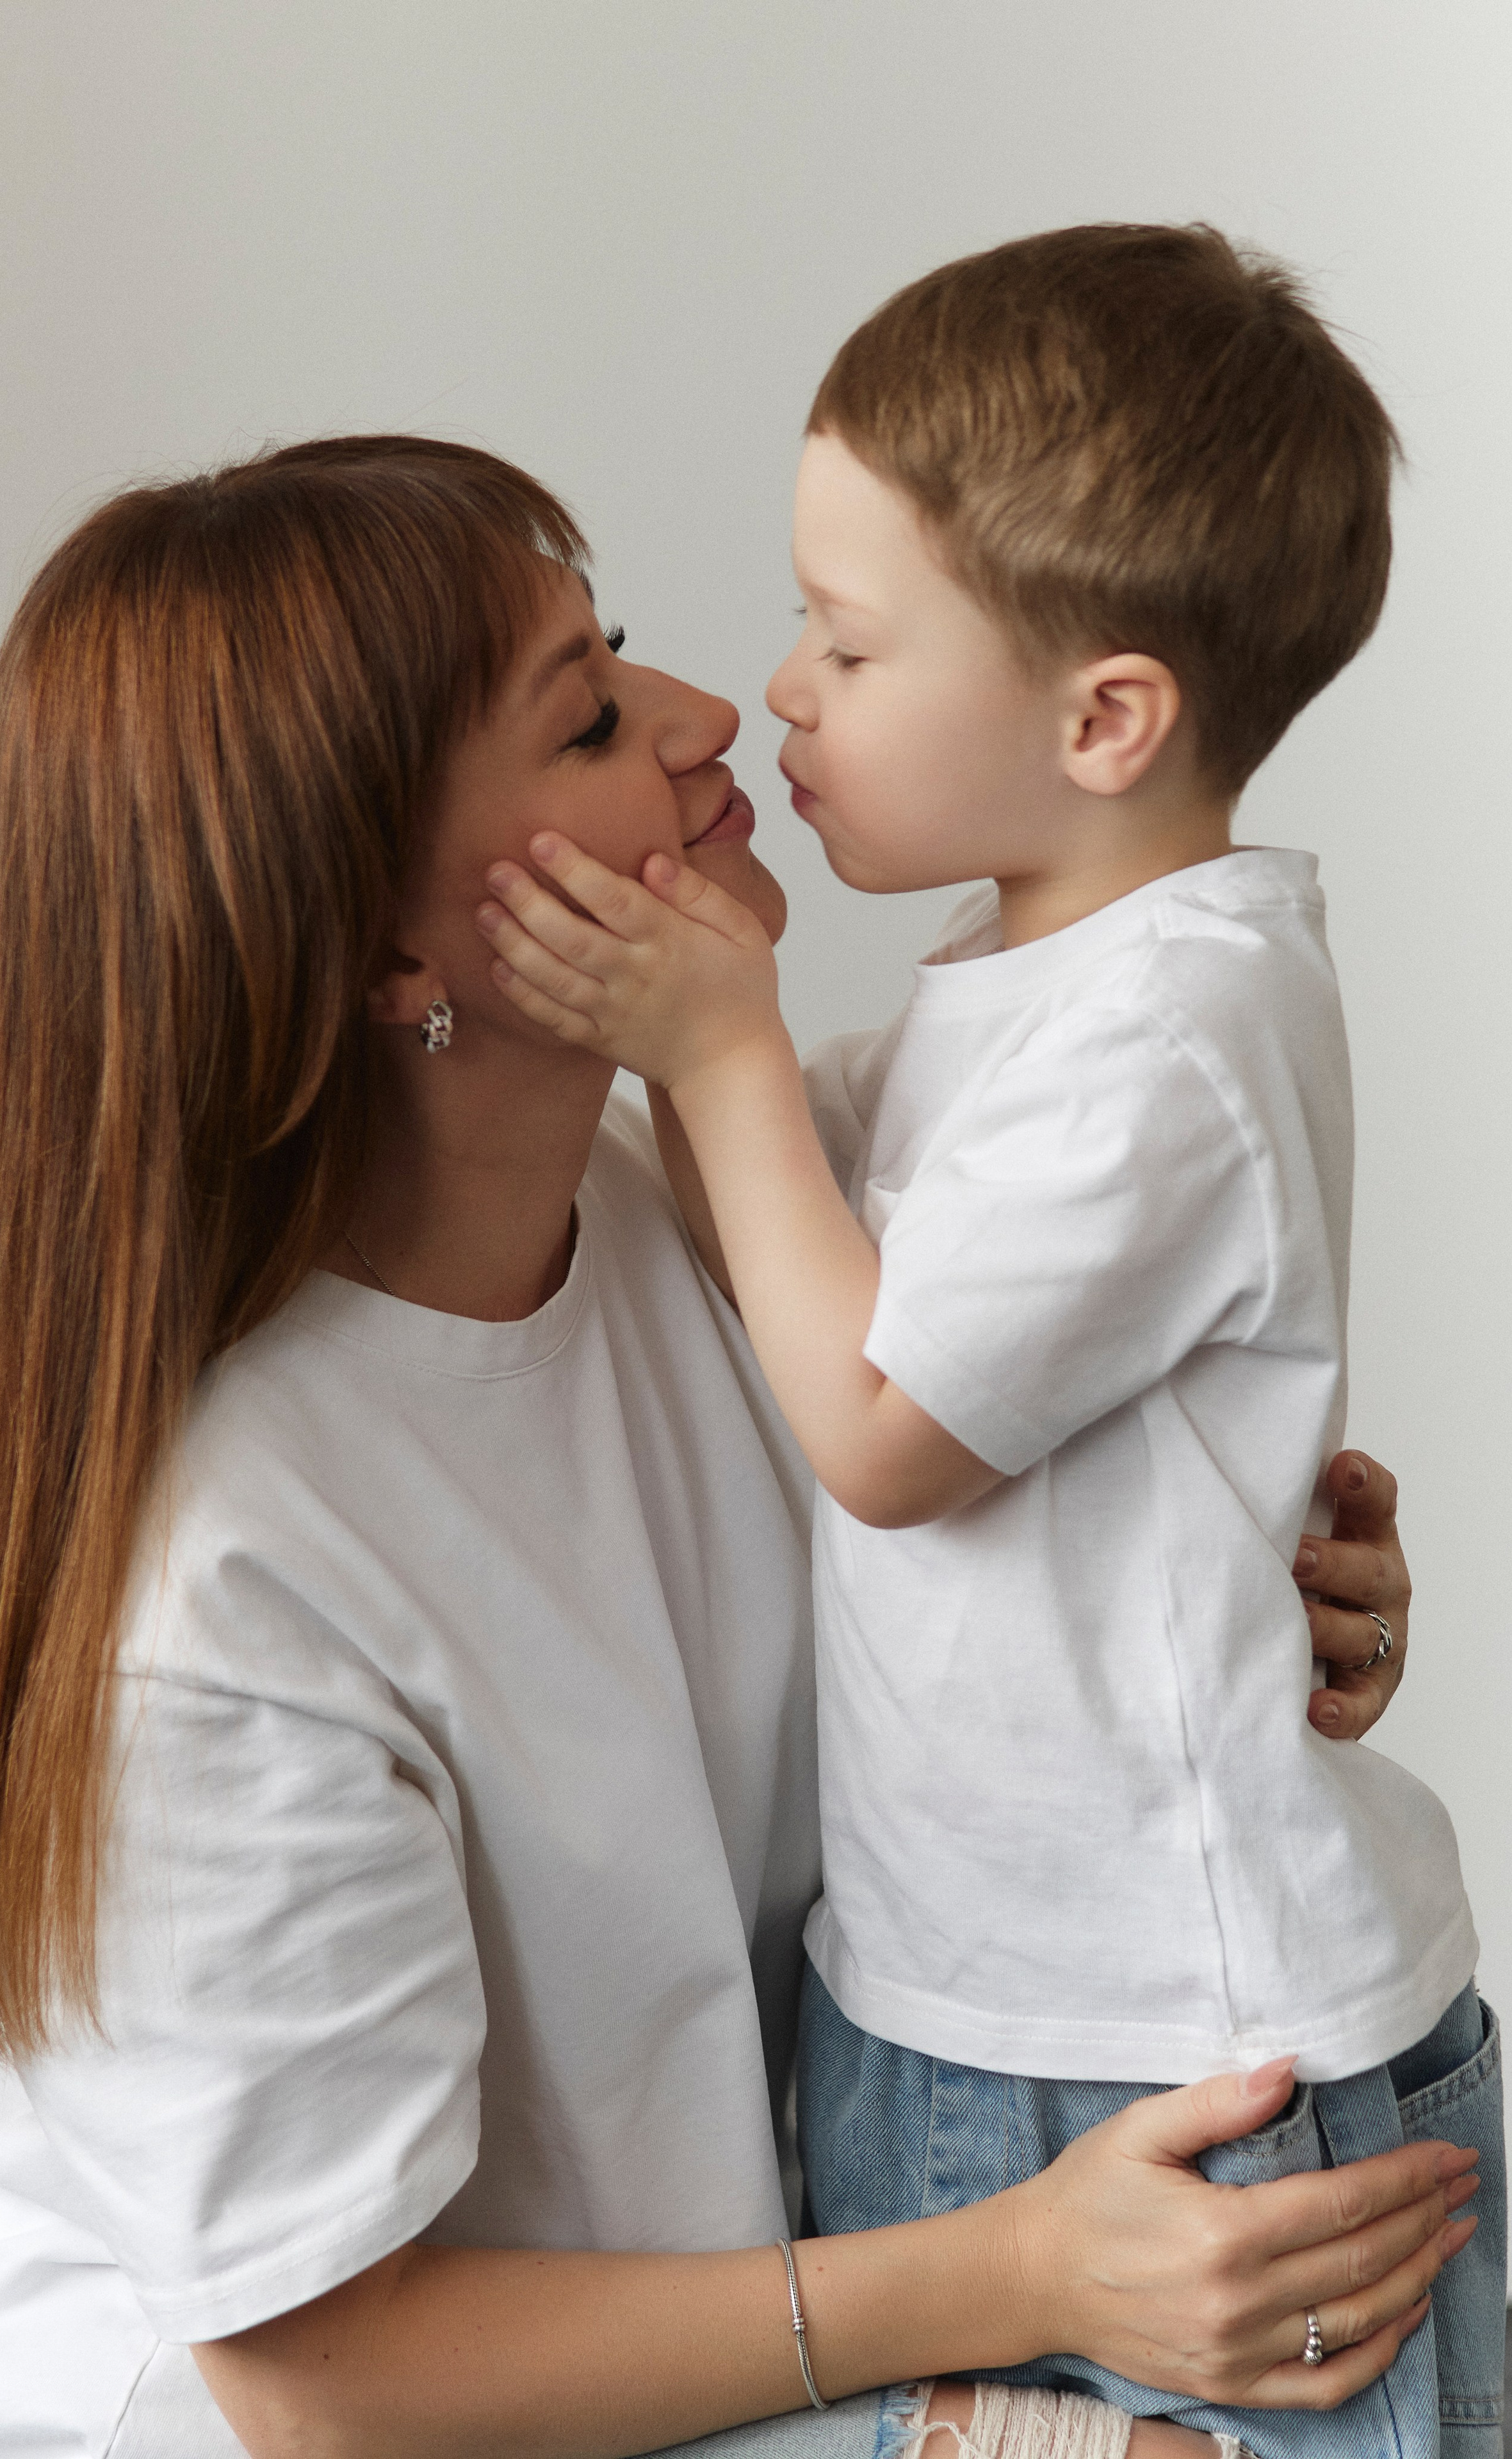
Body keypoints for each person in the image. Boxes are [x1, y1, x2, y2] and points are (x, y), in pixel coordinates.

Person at [0, 437, 1463, 2459]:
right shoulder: (212, 1593)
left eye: (617, 648)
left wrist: (1230, 1591)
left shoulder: (669, 1221)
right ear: (387, 958)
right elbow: (321, 2379)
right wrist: (1026, 2287)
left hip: (714, 2297)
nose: (717, 713)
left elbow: (943, 1522)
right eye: (593, 716)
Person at [475, 227, 1506, 2457]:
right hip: (965, 1999)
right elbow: (810, 1244)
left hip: (1175, 2058)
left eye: (848, 640)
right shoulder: (1031, 974)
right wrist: (702, 1029)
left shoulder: (1175, 1025)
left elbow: (874, 1421)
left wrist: (717, 1049)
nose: (781, 690)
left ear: (1103, 717)